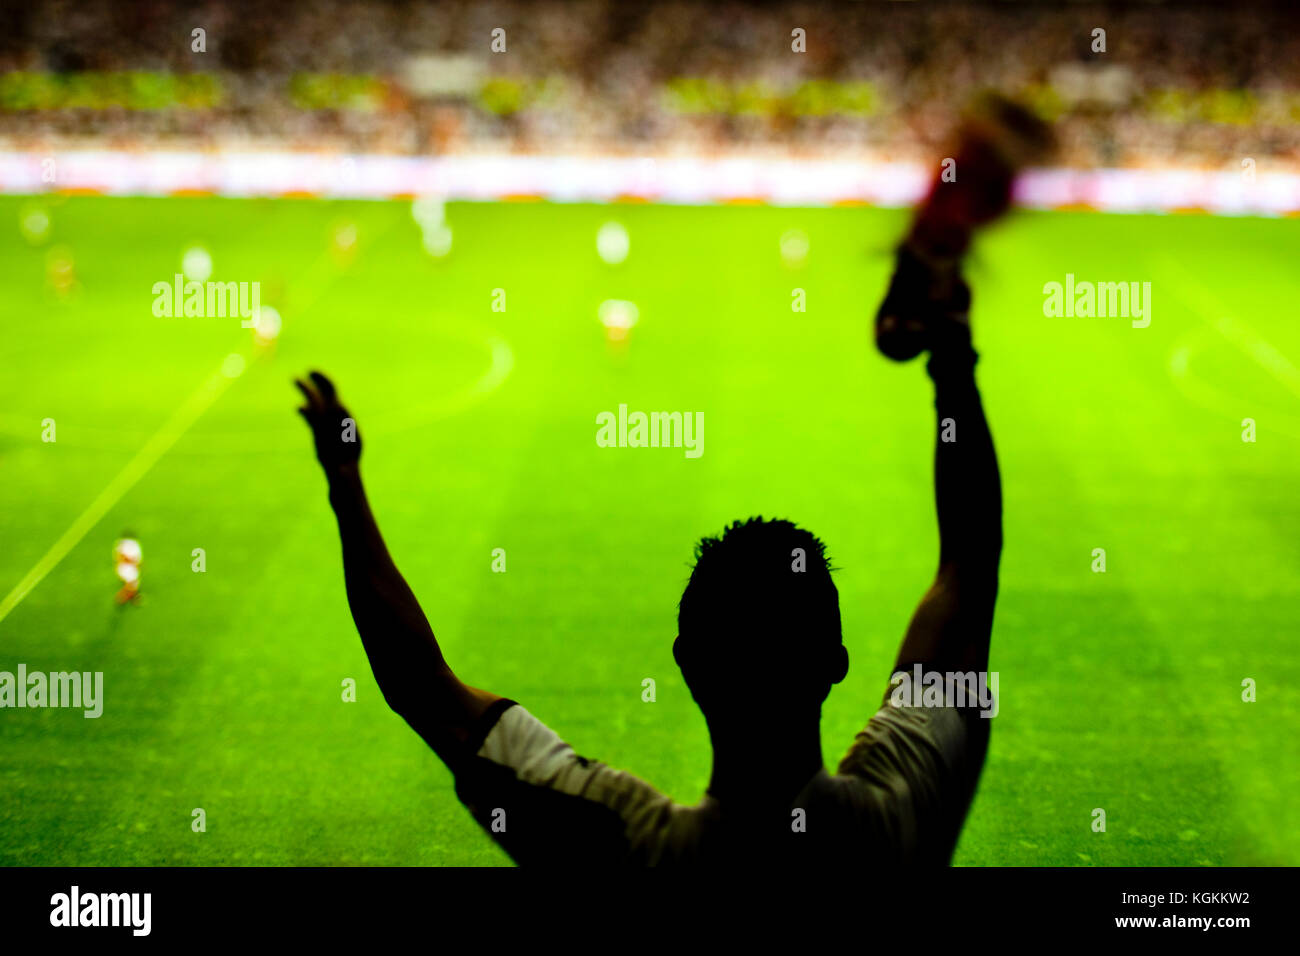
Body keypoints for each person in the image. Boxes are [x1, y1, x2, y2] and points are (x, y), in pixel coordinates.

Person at [294, 99, 1037, 864]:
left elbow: (421, 689)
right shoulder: (902, 821)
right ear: (835, 663)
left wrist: (345, 481)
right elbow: (969, 568)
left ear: (686, 662)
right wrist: (952, 356)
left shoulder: (626, 847)